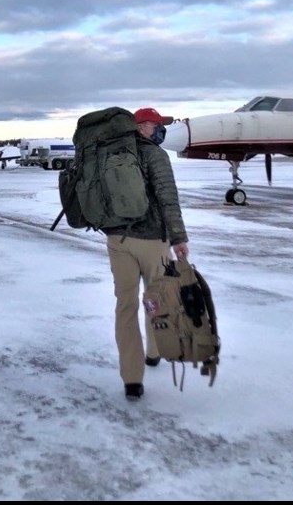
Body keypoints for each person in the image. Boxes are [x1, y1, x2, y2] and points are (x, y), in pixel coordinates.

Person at [103, 107, 189, 401]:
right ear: (141, 127)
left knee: (125, 306)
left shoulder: (109, 153)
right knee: (156, 300)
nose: (159, 130)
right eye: (155, 125)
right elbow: (168, 197)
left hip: (117, 240)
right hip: (152, 240)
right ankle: (153, 352)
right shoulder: (155, 155)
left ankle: (131, 379)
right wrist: (178, 238)